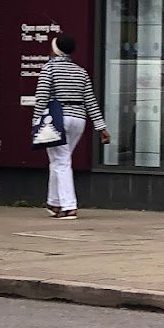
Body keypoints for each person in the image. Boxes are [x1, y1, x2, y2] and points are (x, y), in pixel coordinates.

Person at [33, 33, 110, 219]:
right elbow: (90, 101)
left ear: (55, 49)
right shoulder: (80, 71)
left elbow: (42, 97)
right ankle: (54, 203)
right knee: (59, 160)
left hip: (57, 117)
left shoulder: (49, 69)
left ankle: (69, 206)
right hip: (79, 118)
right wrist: (101, 127)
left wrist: (36, 122)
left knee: (61, 161)